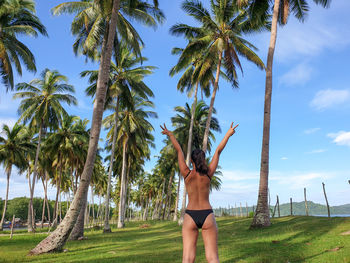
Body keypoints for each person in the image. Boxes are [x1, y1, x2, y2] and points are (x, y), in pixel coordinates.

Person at [160, 122, 239, 263]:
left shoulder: (187, 174)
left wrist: (171, 135)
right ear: (203, 159)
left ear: (191, 161)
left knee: (188, 258)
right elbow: (217, 151)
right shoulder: (208, 174)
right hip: (207, 214)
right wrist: (228, 134)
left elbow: (179, 151)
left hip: (190, 215)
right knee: (213, 258)